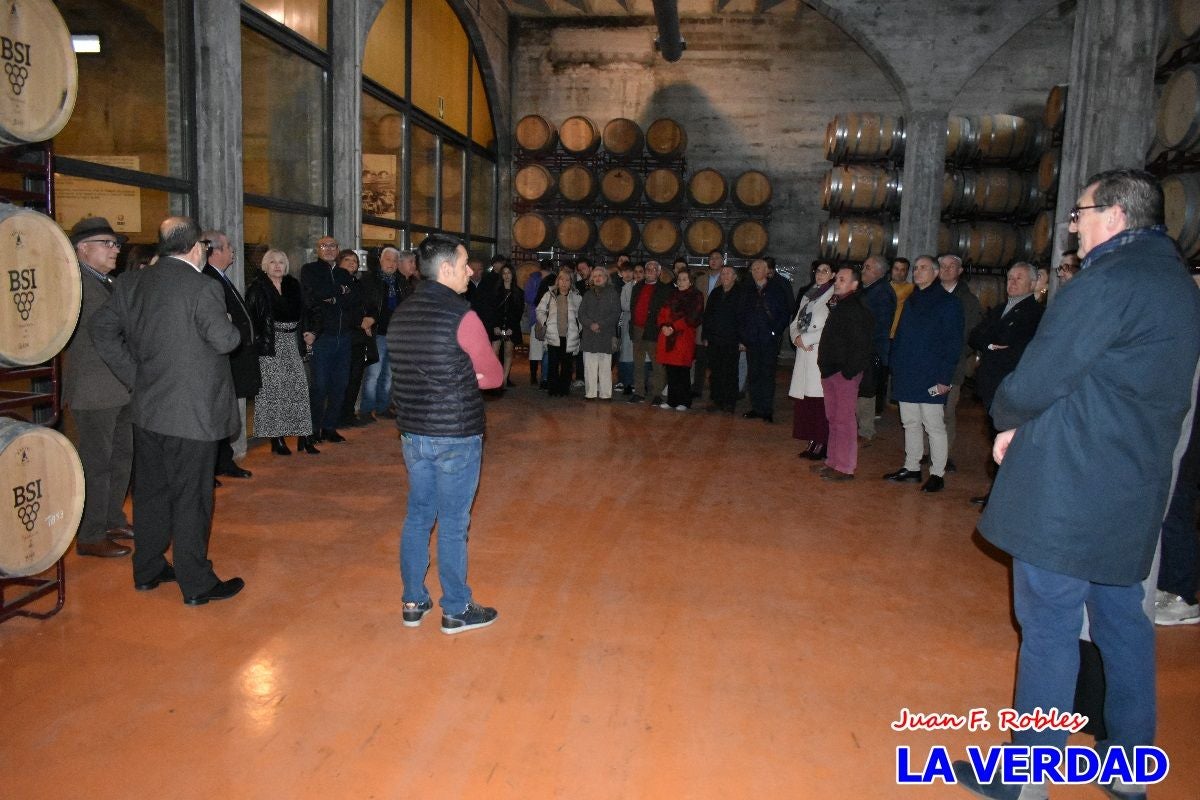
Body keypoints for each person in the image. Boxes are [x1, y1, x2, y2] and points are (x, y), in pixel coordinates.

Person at [952, 170, 1200, 800]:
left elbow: (1039, 377)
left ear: (1113, 215)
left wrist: (1007, 421)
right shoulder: (1176, 284)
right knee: (1123, 625)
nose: (1073, 228)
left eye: (1080, 215)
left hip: (1070, 488)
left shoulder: (1107, 280)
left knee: (1050, 627)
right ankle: (1129, 771)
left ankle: (1025, 779)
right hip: (1134, 486)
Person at [90, 216, 245, 605]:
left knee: (151, 494)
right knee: (191, 497)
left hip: (149, 408)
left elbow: (101, 331)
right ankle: (197, 583)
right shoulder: (202, 287)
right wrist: (228, 323)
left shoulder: (130, 284)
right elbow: (225, 341)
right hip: (193, 413)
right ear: (196, 249)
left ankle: (148, 569)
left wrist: (133, 374)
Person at [386, 233, 503, 634]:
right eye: (465, 263)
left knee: (418, 516)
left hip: (413, 434)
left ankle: (413, 601)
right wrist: (464, 374)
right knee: (453, 523)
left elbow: (401, 371)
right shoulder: (462, 315)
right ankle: (456, 608)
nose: (471, 270)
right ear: (446, 268)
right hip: (455, 434)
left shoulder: (402, 312)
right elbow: (494, 376)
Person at [61, 216, 133, 558]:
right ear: (82, 248)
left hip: (120, 386)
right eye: (107, 243)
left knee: (121, 458)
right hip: (92, 387)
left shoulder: (110, 282)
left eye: (116, 244)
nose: (114, 249)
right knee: (96, 462)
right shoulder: (72, 284)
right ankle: (90, 535)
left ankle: (111, 518)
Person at [883, 255, 963, 493]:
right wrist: (894, 364)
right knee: (910, 422)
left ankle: (937, 472)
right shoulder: (911, 299)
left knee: (934, 425)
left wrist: (944, 379)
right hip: (908, 371)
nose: (917, 272)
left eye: (923, 268)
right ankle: (912, 467)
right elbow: (901, 335)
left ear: (936, 273)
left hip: (930, 374)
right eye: (915, 269)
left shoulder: (949, 303)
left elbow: (953, 344)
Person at [966, 261, 1043, 508]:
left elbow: (1015, 346)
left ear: (1033, 283)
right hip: (992, 387)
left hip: (1011, 386)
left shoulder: (1036, 314)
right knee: (995, 438)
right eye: (1009, 278)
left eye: (1018, 278)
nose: (1012, 282)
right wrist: (990, 344)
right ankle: (996, 493)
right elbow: (976, 336)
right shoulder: (1000, 308)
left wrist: (992, 343)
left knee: (1009, 443)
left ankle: (1004, 498)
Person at [246, 249, 318, 456]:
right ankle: (276, 439)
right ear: (265, 266)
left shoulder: (294, 285)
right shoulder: (257, 288)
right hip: (270, 344)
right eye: (272, 262)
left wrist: (311, 331)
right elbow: (250, 321)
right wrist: (258, 343)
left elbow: (312, 310)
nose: (277, 266)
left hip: (292, 341)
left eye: (281, 262)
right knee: (272, 393)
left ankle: (304, 436)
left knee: (298, 389)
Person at [202, 230, 259, 480]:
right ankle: (212, 466)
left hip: (234, 356)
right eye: (229, 247)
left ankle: (225, 461)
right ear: (215, 251)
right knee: (217, 414)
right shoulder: (208, 279)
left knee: (228, 413)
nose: (233, 252)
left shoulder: (221, 277)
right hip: (220, 359)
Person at [813, 266, 874, 481]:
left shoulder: (857, 308)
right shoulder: (840, 304)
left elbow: (862, 345)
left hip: (843, 372)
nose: (837, 282)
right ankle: (832, 461)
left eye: (842, 279)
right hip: (831, 370)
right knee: (833, 418)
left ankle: (846, 467)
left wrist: (848, 372)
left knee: (845, 420)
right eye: (837, 278)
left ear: (855, 285)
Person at [300, 235, 355, 443]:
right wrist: (339, 291)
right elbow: (313, 295)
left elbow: (354, 299)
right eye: (324, 246)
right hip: (322, 337)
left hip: (345, 337)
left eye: (333, 245)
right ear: (318, 249)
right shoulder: (310, 270)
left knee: (339, 385)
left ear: (338, 249)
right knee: (319, 386)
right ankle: (313, 430)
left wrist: (334, 296)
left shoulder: (343, 272)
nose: (329, 249)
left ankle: (329, 427)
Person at [937, 253, 983, 473]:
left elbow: (971, 335)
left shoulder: (968, 301)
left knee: (946, 411)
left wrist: (954, 355)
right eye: (942, 266)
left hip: (952, 366)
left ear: (960, 271)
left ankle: (944, 455)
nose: (946, 270)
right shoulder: (930, 294)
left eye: (951, 266)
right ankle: (928, 451)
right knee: (928, 409)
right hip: (928, 364)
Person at [788, 261, 835, 457]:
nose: (820, 274)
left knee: (819, 400)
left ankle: (823, 442)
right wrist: (795, 337)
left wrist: (805, 338)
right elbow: (796, 321)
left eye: (826, 271)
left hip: (819, 352)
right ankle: (812, 439)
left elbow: (832, 328)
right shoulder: (809, 296)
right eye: (818, 270)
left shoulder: (834, 297)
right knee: (807, 400)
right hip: (804, 351)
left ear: (833, 275)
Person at [738, 258, 791, 423]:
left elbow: (784, 313)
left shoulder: (776, 289)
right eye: (753, 268)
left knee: (767, 374)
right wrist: (743, 336)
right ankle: (756, 406)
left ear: (767, 271)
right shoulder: (747, 290)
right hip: (752, 339)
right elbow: (740, 315)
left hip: (769, 339)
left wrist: (775, 332)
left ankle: (766, 409)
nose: (755, 271)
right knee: (754, 374)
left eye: (759, 268)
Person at [358, 246, 405, 421]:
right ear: (380, 261)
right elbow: (364, 305)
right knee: (373, 373)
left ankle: (382, 406)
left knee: (389, 374)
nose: (391, 264)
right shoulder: (369, 280)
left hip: (396, 334)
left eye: (394, 260)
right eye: (388, 259)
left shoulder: (401, 282)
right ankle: (366, 409)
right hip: (378, 333)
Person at [855, 255, 896, 442]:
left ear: (880, 272)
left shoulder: (882, 293)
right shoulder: (868, 289)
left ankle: (866, 430)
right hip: (863, 347)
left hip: (871, 350)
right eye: (864, 266)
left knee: (866, 390)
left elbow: (879, 324)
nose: (863, 270)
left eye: (868, 267)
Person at [656, 268, 704, 410]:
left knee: (682, 370)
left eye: (684, 279)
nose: (681, 282)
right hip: (668, 335)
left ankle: (684, 401)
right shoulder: (672, 295)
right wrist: (664, 325)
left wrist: (673, 327)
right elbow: (662, 312)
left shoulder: (696, 296)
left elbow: (692, 317)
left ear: (691, 281)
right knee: (671, 370)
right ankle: (672, 400)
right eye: (679, 279)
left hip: (683, 336)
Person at [578, 263, 621, 400]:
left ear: (606, 277)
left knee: (605, 366)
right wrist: (590, 324)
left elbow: (615, 313)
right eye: (595, 276)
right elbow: (581, 313)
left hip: (605, 334)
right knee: (589, 366)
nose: (597, 278)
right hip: (589, 334)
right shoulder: (587, 294)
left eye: (600, 276)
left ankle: (605, 394)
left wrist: (600, 324)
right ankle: (590, 393)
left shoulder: (613, 293)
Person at [702, 264, 742, 413]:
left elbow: (744, 318)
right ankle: (716, 399)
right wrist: (705, 336)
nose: (724, 276)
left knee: (730, 372)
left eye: (728, 273)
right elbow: (707, 316)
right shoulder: (716, 293)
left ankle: (729, 402)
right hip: (714, 339)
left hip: (732, 339)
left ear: (735, 277)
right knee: (715, 371)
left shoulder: (741, 293)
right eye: (723, 274)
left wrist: (742, 340)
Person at [536, 269, 582, 397]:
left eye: (567, 280)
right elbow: (540, 310)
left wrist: (579, 328)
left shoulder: (576, 297)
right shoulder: (549, 295)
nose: (564, 282)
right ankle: (553, 388)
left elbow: (581, 315)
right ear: (558, 280)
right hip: (553, 335)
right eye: (561, 279)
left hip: (569, 336)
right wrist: (545, 322)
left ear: (571, 282)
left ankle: (564, 389)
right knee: (553, 364)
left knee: (567, 365)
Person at [491, 262, 525, 388]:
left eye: (509, 273)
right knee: (494, 352)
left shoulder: (519, 293)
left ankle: (504, 380)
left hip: (511, 326)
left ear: (513, 275)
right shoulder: (495, 291)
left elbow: (518, 312)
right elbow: (493, 310)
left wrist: (512, 327)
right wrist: (495, 325)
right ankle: (495, 378)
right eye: (504, 273)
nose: (506, 276)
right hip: (497, 325)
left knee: (508, 352)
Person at [525, 260, 552, 387]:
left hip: (550, 319)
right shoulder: (533, 280)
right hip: (536, 318)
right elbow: (530, 298)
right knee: (535, 350)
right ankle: (533, 375)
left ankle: (545, 376)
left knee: (547, 349)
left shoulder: (553, 279)